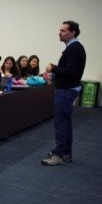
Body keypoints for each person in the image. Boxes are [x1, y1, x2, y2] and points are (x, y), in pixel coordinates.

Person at [41, 20, 86, 166]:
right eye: (60, 30)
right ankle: (65, 152)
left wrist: (52, 68)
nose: (59, 33)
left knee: (61, 124)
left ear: (73, 32)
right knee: (65, 123)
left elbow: (72, 72)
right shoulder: (73, 48)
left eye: (63, 30)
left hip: (66, 91)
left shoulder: (74, 49)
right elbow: (70, 70)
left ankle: (59, 155)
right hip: (68, 89)